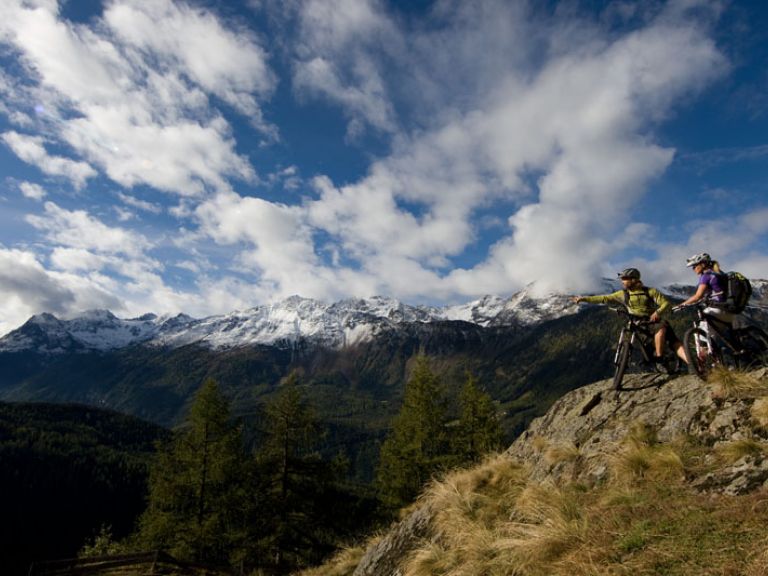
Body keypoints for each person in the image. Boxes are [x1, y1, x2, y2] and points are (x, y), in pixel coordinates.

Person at [572, 267, 687, 367]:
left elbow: (666, 304)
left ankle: (660, 357)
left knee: (663, 330)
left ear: (634, 279)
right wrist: (584, 299)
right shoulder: (623, 294)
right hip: (637, 322)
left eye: (624, 279)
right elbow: (605, 298)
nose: (622, 282)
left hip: (652, 321)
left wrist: (657, 312)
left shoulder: (650, 292)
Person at [677, 252, 738, 327]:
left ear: (703, 264)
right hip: (731, 312)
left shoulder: (706, 276)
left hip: (718, 310)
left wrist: (682, 304)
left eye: (695, 266)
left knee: (703, 333)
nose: (693, 269)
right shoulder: (719, 273)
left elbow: (698, 296)